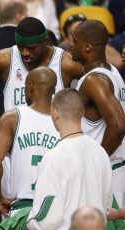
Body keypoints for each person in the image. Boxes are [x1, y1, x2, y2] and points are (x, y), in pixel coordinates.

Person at [0, 17, 84, 133]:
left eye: (31, 48)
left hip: (53, 142)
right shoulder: (4, 59)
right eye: (20, 46)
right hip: (13, 142)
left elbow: (93, 83)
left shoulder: (66, 63)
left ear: (45, 41)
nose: (25, 52)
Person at [27, 88, 112, 229]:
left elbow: (45, 219)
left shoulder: (54, 156)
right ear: (83, 113)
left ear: (55, 114)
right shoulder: (101, 152)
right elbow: (106, 207)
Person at [0, 67, 60, 227]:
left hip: (22, 210)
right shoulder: (64, 122)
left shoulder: (12, 118)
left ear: (30, 86)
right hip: (54, 212)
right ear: (54, 90)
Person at [73, 20, 125, 209]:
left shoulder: (94, 80)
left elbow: (118, 126)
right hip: (116, 171)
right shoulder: (112, 71)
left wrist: (96, 163)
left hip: (107, 175)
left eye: (75, 41)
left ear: (87, 46)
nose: (70, 45)